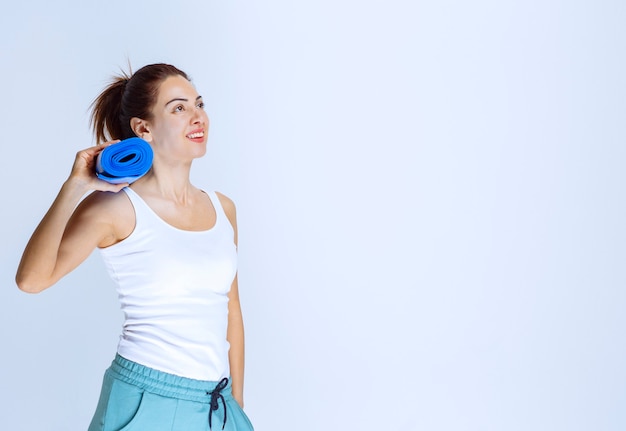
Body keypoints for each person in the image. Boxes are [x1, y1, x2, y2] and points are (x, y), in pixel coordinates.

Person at [15, 63, 254, 431]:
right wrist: (75, 187)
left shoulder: (223, 209)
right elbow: (31, 280)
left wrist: (236, 404)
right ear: (144, 128)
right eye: (179, 107)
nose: (198, 116)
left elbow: (231, 310)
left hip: (214, 405)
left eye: (199, 104)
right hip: (145, 400)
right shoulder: (116, 209)